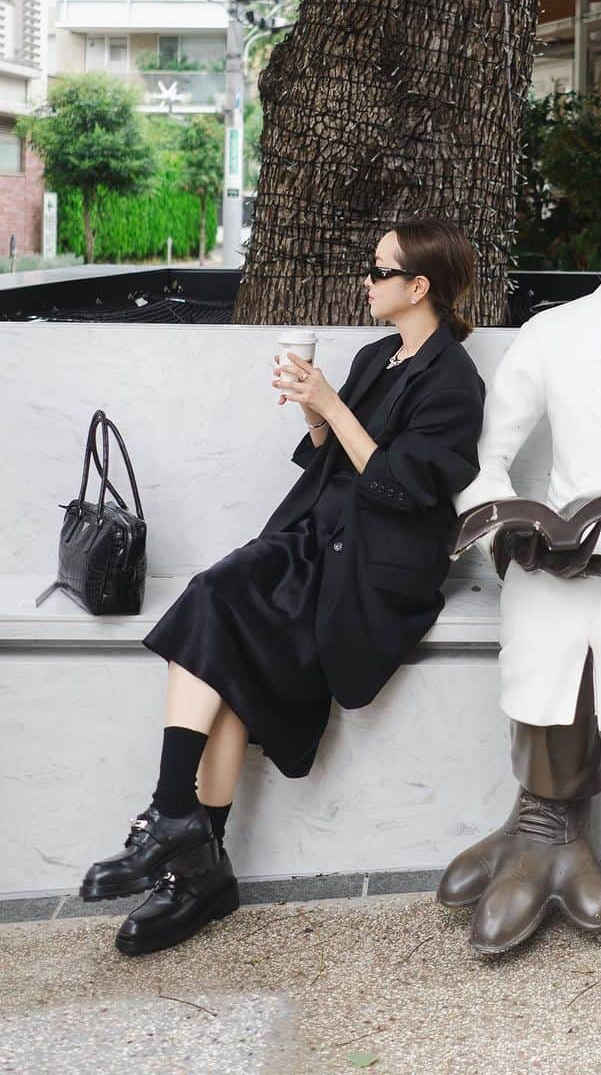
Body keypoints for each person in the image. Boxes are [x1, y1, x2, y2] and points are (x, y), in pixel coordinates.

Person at [81, 217, 486, 955]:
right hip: (311, 542)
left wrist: (333, 406)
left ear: (418, 286)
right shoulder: (376, 356)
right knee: (219, 612)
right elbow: (332, 457)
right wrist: (314, 406)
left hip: (371, 571)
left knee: (217, 605)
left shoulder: (454, 381)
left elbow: (403, 491)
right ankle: (194, 853)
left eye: (378, 270)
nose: (366, 280)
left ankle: (180, 831)